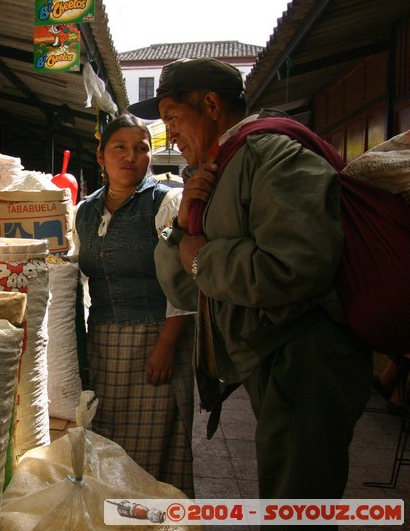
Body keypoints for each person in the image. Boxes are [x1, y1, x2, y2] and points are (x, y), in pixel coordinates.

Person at [129, 57, 372, 500]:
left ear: (211, 105)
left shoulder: (272, 154)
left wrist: (202, 257)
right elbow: (186, 287)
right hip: (271, 359)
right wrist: (180, 229)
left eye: (173, 118)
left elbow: (293, 267)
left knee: (297, 505)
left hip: (305, 360)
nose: (170, 134)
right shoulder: (218, 169)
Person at [73, 112, 196, 496]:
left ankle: (149, 519)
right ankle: (111, 518)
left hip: (156, 339)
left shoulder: (166, 203)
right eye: (119, 148)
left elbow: (184, 281)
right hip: (104, 342)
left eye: (141, 149)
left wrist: (167, 344)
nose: (130, 157)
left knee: (150, 456)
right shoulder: (85, 211)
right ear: (101, 155)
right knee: (107, 446)